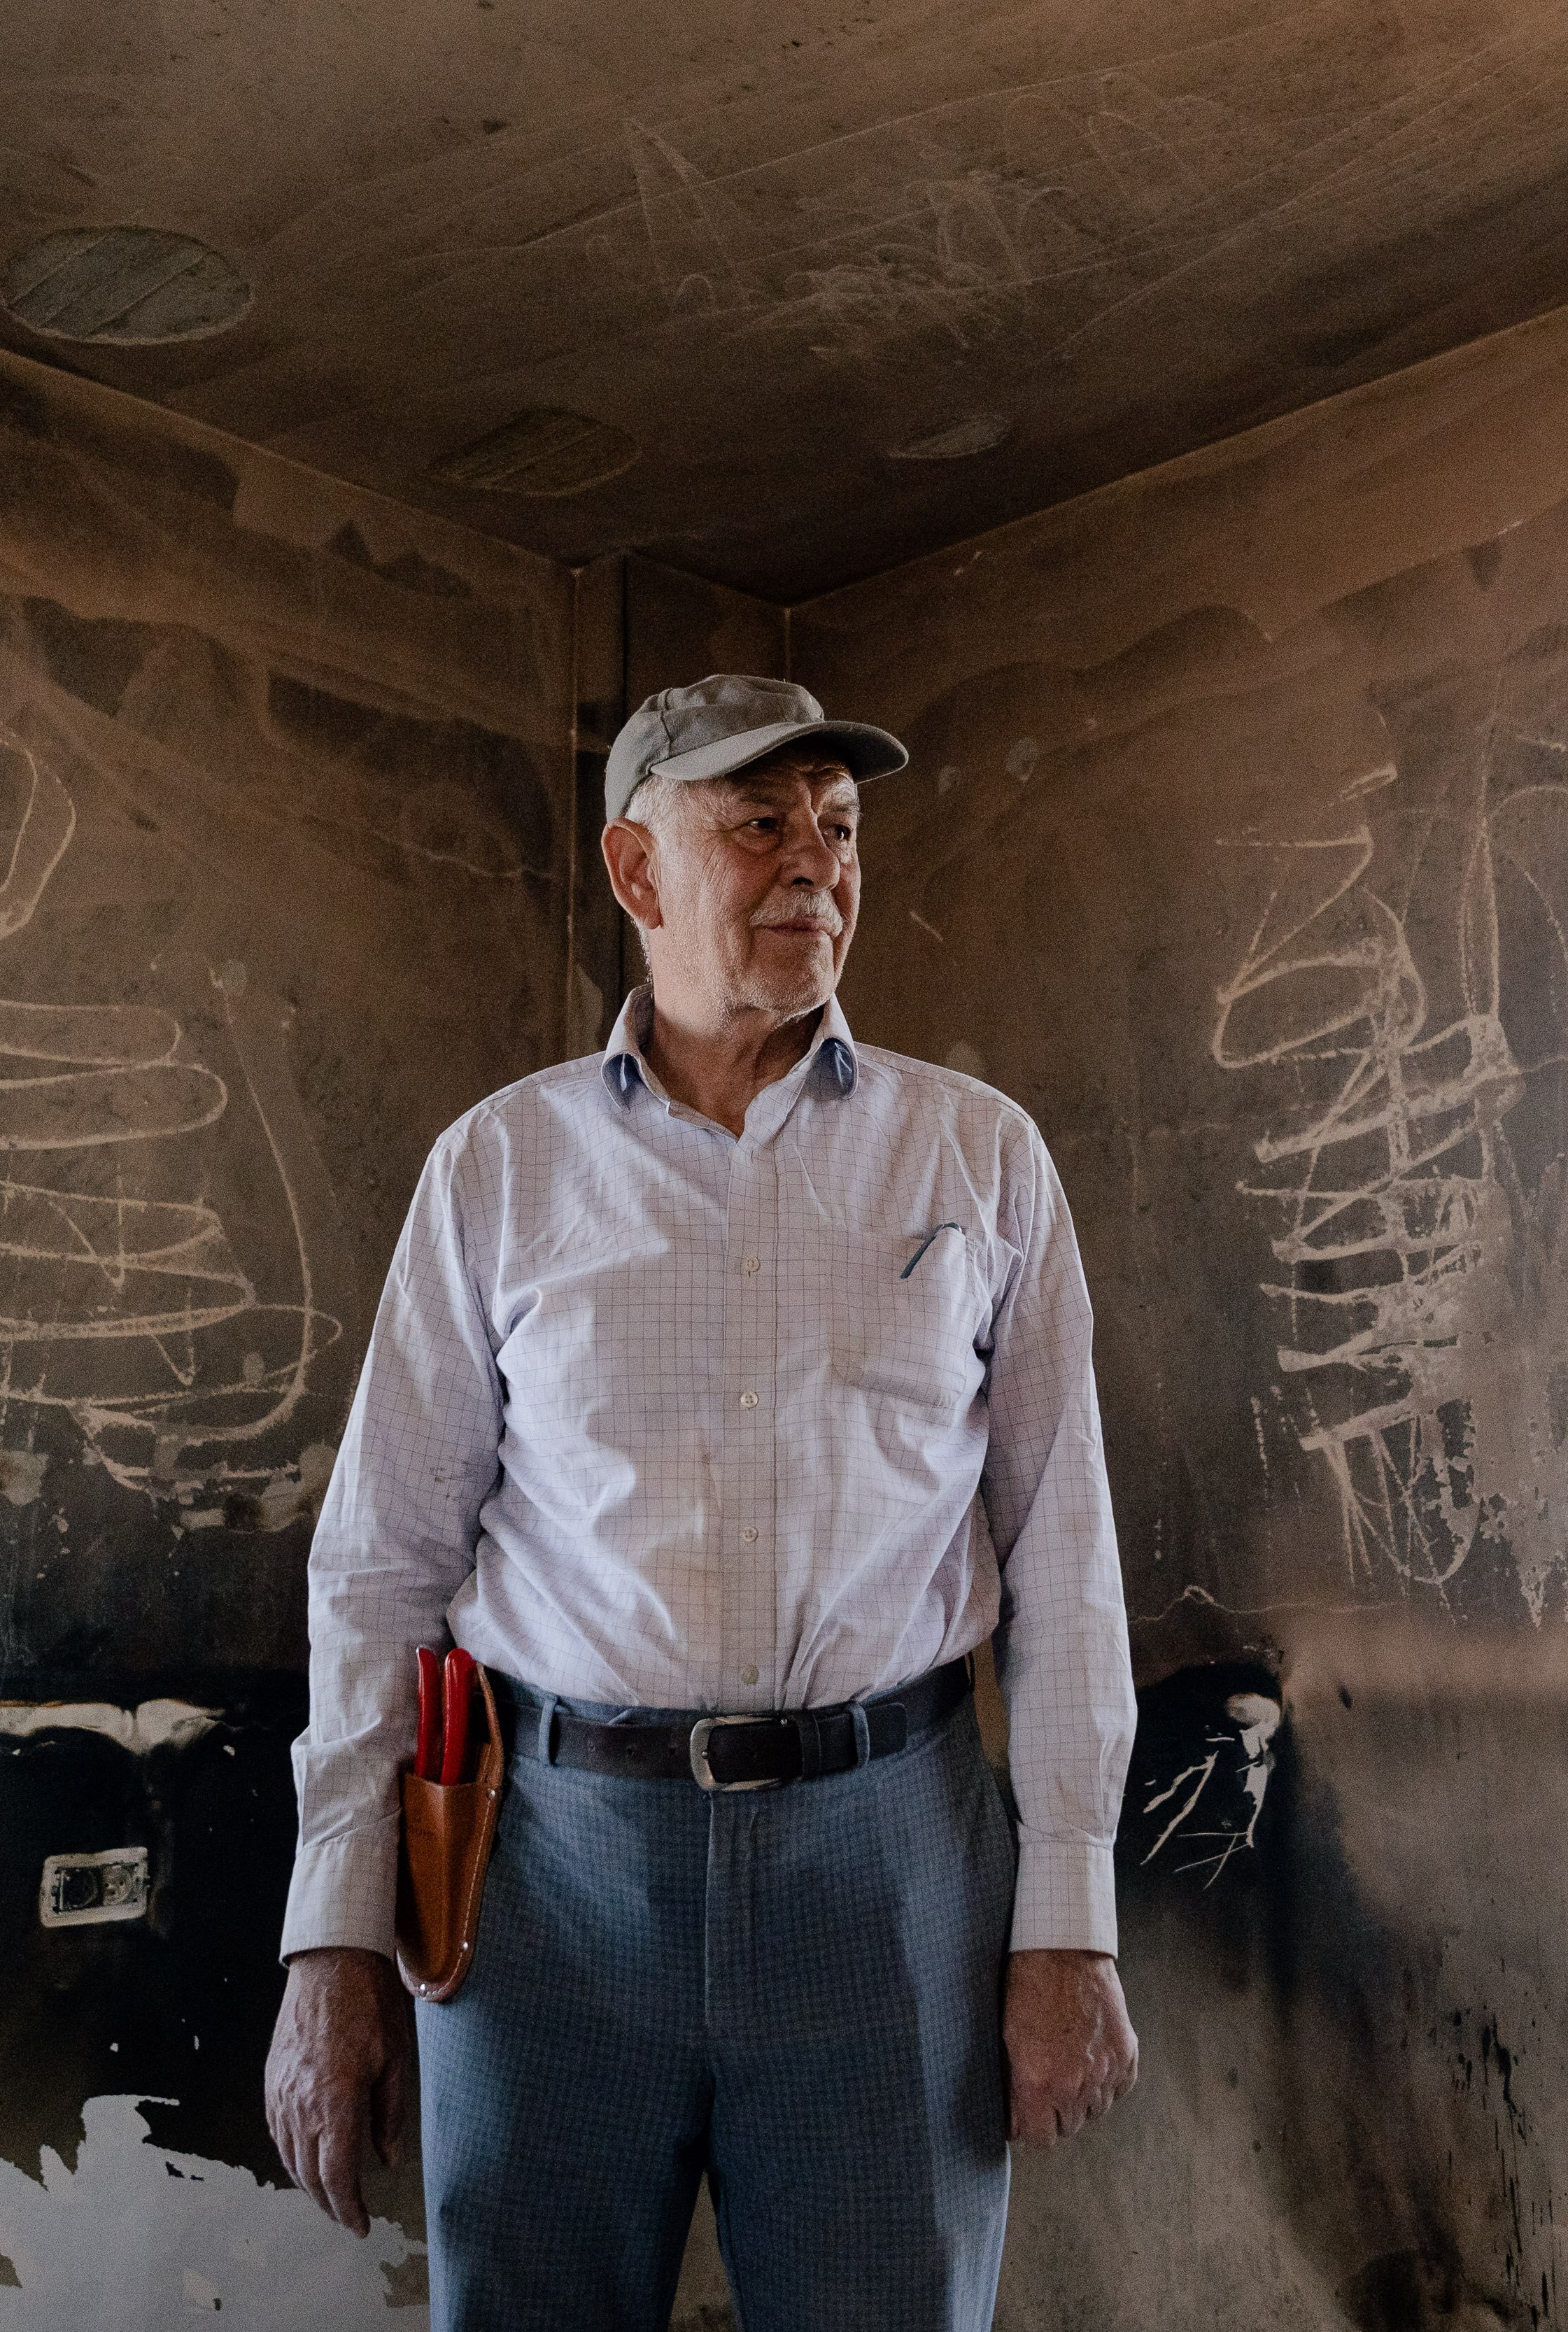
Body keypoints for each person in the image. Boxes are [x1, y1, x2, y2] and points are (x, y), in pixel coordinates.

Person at [262, 673, 1138, 2331]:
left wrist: (1068, 1918)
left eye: (839, 825)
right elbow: (379, 1564)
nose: (814, 859)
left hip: (892, 1865)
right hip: (547, 1881)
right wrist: (334, 1935)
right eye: (759, 822)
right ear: (637, 869)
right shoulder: (499, 1170)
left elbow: (1069, 1560)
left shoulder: (980, 1157)